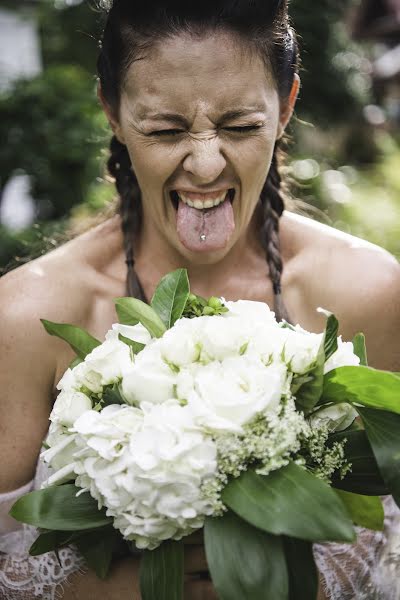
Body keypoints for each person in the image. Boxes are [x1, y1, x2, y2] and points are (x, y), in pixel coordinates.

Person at [1, 1, 399, 598]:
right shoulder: (25, 319)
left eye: (240, 126)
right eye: (164, 129)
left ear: (287, 104)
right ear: (111, 111)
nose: (206, 164)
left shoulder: (369, 293)